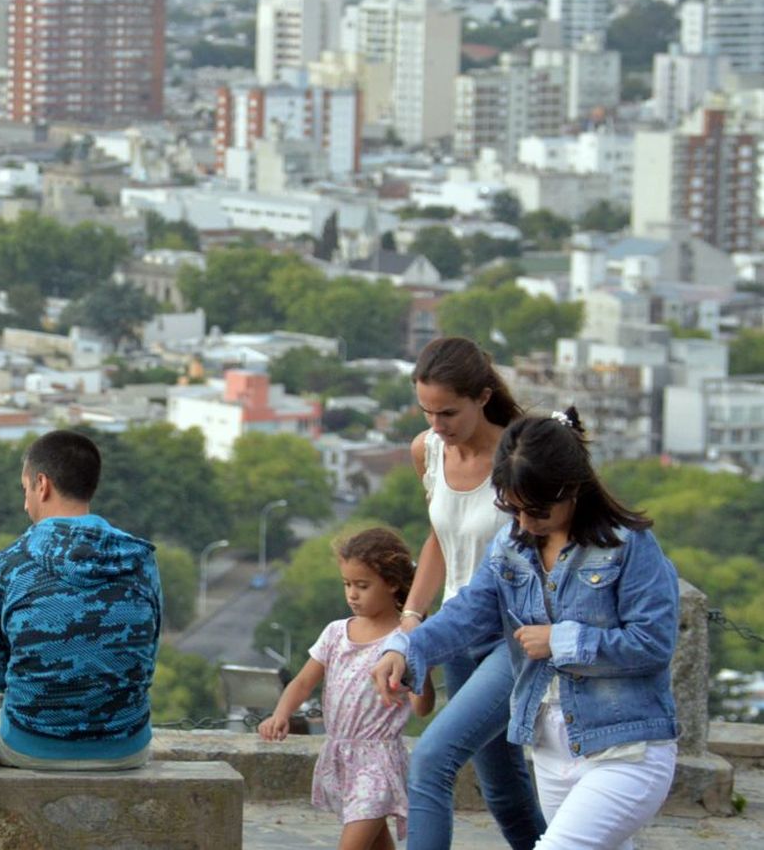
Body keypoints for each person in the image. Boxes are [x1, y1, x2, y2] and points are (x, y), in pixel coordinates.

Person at [373, 408, 679, 850]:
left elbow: (653, 644)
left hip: (627, 749)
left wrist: (562, 640)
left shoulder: (629, 545)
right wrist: (405, 647)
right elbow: (467, 614)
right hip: (553, 752)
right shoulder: (511, 547)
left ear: (571, 489)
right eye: (511, 509)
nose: (521, 524)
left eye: (534, 511)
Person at [398, 336, 545, 850]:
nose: (437, 425)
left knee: (432, 759)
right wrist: (413, 619)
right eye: (427, 411)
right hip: (458, 631)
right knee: (502, 791)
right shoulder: (427, 450)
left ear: (483, 397)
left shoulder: (521, 457)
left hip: (515, 636)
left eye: (448, 412)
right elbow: (442, 537)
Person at [0, 429, 162, 770]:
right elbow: (147, 654)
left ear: (42, 484)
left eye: (25, 490)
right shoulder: (140, 559)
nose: (25, 503)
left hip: (30, 745)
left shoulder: (9, 562)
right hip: (126, 745)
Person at [259, 528, 435, 850]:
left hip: (378, 761)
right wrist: (280, 714)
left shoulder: (405, 640)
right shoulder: (336, 633)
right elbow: (301, 682)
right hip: (341, 754)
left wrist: (420, 663)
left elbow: (422, 709)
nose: (352, 594)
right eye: (347, 585)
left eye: (362, 586)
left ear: (392, 583)